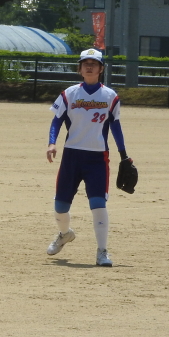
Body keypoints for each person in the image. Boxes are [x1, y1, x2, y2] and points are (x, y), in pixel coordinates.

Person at [45, 47, 131, 267]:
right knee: (60, 206)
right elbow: (56, 120)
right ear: (80, 69)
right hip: (72, 156)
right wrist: (52, 143)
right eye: (85, 64)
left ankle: (102, 252)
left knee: (98, 203)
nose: (90, 67)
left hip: (97, 158)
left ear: (101, 69)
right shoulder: (69, 94)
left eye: (94, 64)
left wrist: (123, 155)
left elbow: (116, 126)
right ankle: (65, 234)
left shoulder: (110, 96)